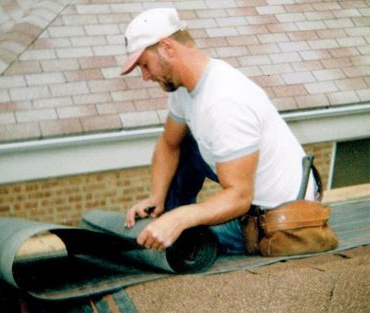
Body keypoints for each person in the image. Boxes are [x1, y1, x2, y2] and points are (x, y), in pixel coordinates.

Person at [120, 8, 317, 254]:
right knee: (184, 144)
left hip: (279, 218)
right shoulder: (184, 87)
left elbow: (239, 198)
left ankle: (173, 237)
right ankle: (164, 220)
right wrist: (156, 197)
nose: (145, 76)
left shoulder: (225, 101)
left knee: (188, 247)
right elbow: (169, 144)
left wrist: (180, 219)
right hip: (250, 195)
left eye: (145, 65)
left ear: (167, 48)